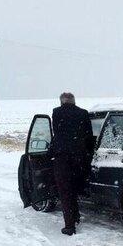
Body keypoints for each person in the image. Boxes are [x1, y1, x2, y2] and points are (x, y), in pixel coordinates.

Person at [51, 92, 94, 236]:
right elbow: (89, 136)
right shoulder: (83, 113)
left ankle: (70, 226)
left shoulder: (57, 113)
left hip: (62, 159)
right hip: (80, 158)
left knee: (65, 192)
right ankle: (75, 217)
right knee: (74, 188)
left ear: (61, 102)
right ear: (74, 101)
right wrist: (87, 154)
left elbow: (57, 134)